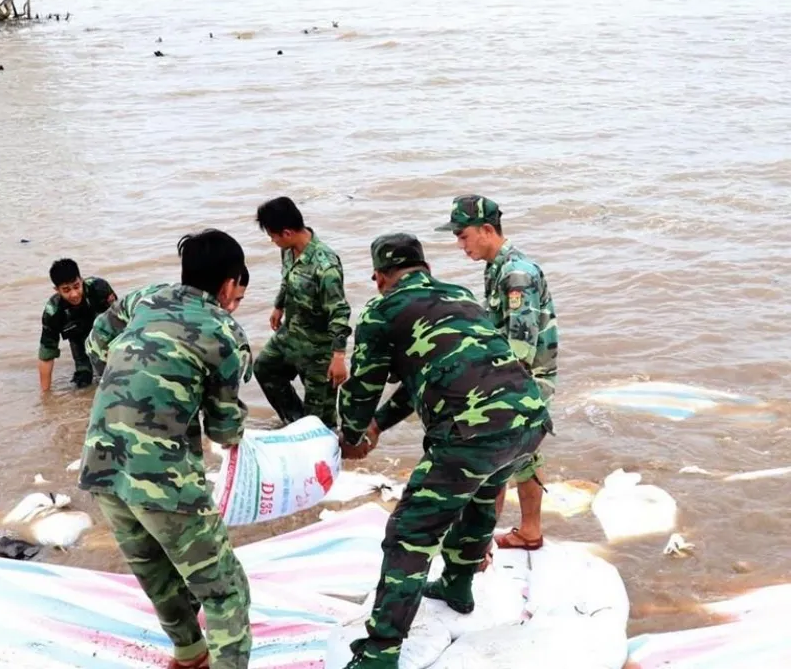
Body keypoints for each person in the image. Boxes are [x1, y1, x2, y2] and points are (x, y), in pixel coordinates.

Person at [335, 233, 552, 669]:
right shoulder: (460, 295)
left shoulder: (382, 311)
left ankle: (378, 654)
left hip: (470, 435)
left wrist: (353, 435)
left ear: (379, 277)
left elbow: (363, 389)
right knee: (477, 502)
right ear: (425, 268)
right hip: (528, 418)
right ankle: (456, 585)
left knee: (410, 534)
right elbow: (424, 377)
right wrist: (379, 424)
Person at [78, 229, 253, 669]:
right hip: (161, 478)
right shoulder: (224, 332)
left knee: (157, 575)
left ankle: (190, 656)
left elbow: (96, 340)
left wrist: (126, 378)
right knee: (224, 589)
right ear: (231, 284)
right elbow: (224, 428)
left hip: (102, 463)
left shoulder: (148, 297)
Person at [435, 194, 559, 552]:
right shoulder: (497, 268)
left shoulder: (517, 274)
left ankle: (479, 544)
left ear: (487, 230)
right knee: (524, 456)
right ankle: (529, 532)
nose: (460, 245)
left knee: (495, 457)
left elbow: (521, 344)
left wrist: (493, 393)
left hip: (524, 379)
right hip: (515, 377)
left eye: (463, 236)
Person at [253, 196, 352, 428]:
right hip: (291, 334)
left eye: (272, 236)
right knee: (265, 369)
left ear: (287, 233)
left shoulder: (325, 265)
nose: (272, 240)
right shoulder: (288, 250)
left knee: (321, 423)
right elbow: (287, 279)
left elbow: (339, 311)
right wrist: (278, 306)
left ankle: (319, 446)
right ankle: (295, 425)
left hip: (318, 349)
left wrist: (338, 357)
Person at [37, 259, 117, 392]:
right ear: (57, 290)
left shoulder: (99, 288)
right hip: (79, 341)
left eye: (76, 286)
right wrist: (45, 397)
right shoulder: (53, 311)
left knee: (115, 372)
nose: (74, 294)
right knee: (83, 383)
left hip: (106, 333)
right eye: (66, 290)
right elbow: (46, 355)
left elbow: (120, 319)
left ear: (82, 280)